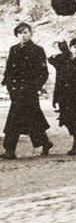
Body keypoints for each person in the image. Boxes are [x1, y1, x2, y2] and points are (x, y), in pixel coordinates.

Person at [1, 22, 53, 159]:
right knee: (26, 118)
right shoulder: (13, 49)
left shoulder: (37, 50)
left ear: (31, 33)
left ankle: (10, 149)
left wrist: (34, 87)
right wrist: (10, 86)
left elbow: (43, 72)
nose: (22, 36)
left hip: (29, 91)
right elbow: (9, 71)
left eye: (25, 32)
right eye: (19, 33)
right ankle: (43, 143)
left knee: (23, 119)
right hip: (17, 91)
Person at [49, 38, 76, 155]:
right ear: (70, 48)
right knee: (66, 120)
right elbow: (51, 60)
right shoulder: (63, 60)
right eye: (74, 47)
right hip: (64, 96)